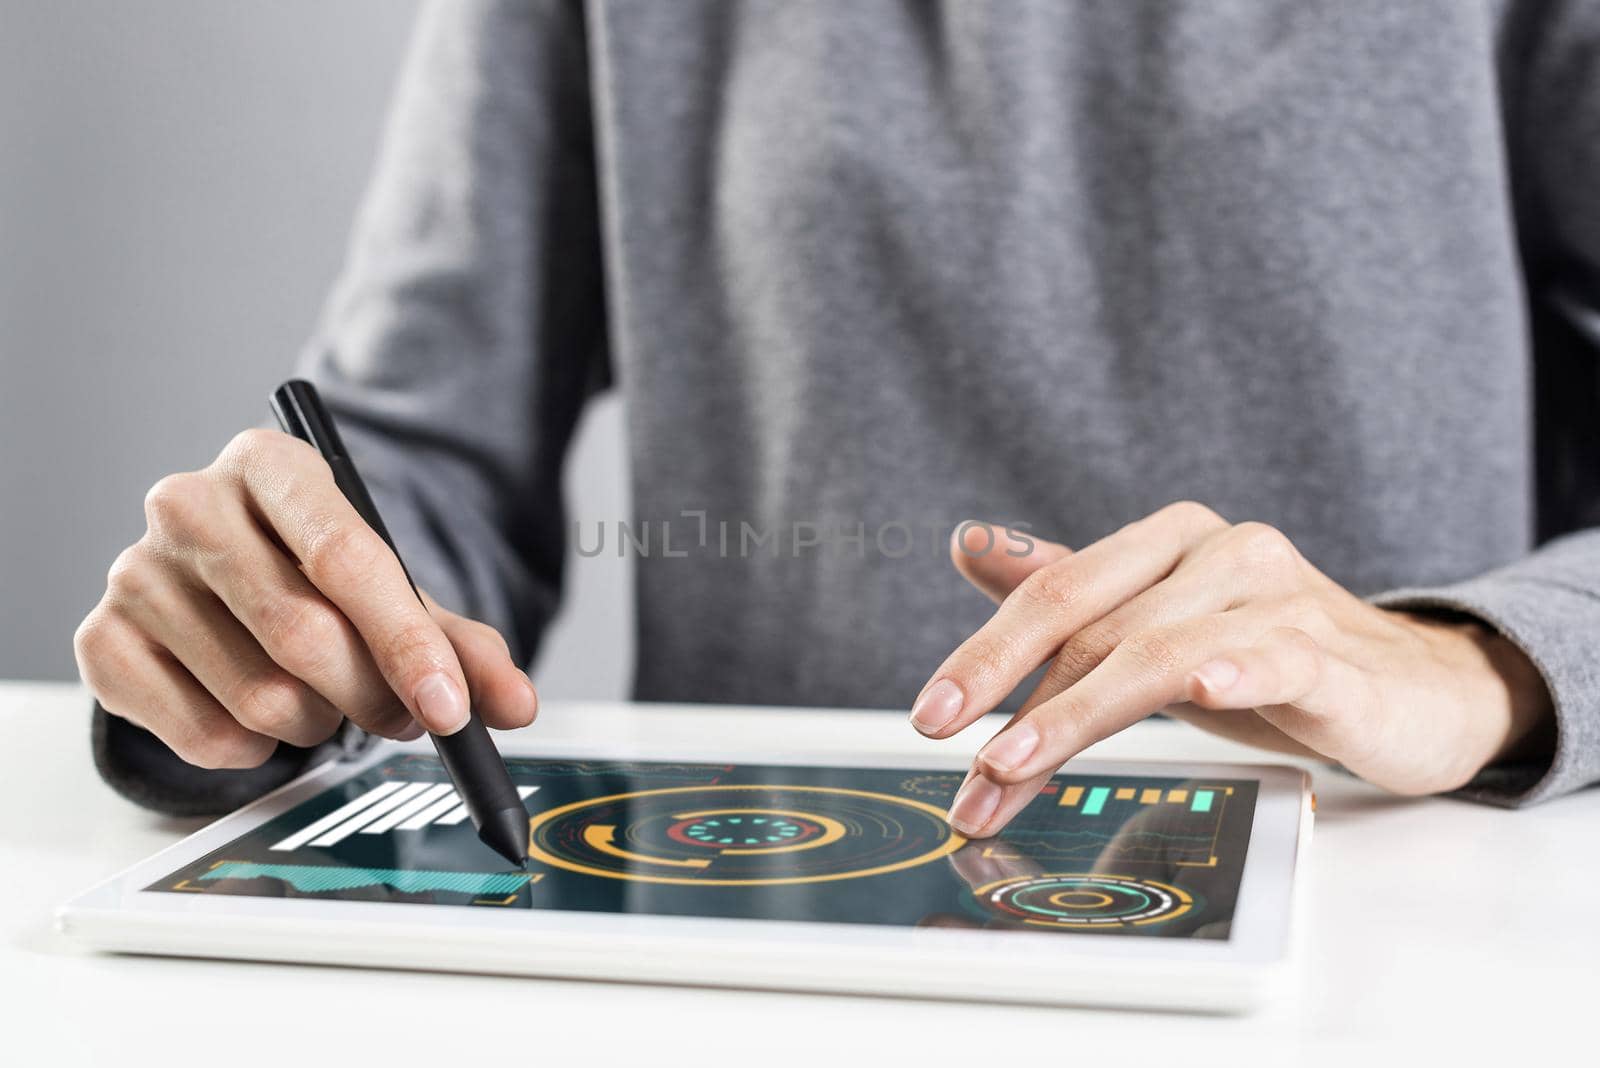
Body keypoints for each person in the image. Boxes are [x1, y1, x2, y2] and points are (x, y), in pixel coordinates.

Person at [75, 1, 1599, 833]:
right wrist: (268, 631)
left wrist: (1485, 662)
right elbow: (421, 460)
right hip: (770, 946)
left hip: (1405, 916)